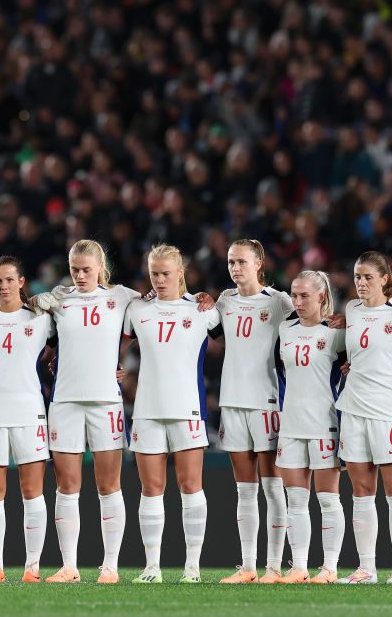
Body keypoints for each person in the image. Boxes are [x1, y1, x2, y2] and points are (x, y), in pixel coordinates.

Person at [29, 239, 140, 584]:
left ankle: (110, 566)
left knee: (109, 485)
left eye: (86, 269)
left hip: (106, 401)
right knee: (67, 486)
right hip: (65, 402)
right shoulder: (60, 299)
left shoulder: (122, 297)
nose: (79, 275)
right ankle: (69, 566)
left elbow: (155, 315)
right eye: (74, 269)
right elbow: (23, 313)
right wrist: (35, 300)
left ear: (101, 268)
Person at [122, 244, 220, 584]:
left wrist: (206, 296)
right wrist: (116, 369)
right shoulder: (136, 309)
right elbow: (114, 345)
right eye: (154, 273)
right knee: (151, 488)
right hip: (148, 409)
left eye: (166, 273)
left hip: (188, 408)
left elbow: (230, 343)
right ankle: (152, 567)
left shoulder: (204, 309)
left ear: (181, 272)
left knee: (191, 485)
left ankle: (192, 566)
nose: (160, 279)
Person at [0, 256, 54, 583]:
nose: (3, 287)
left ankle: (32, 568)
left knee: (32, 491)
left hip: (29, 411)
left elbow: (75, 342)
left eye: (9, 280)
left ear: (21, 281)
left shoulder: (42, 317)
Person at [335, 251, 392, 585]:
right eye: (357, 277)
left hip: (389, 409)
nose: (361, 283)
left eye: (368, 276)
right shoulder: (352, 309)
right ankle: (366, 568)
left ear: (385, 278)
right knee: (361, 491)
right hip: (353, 406)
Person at [216, 240, 295, 584]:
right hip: (232, 402)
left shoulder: (279, 302)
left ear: (259, 263)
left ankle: (274, 568)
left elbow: (306, 329)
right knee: (245, 490)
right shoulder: (224, 300)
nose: (235, 268)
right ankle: (248, 566)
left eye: (242, 262)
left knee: (273, 488)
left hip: (267, 402)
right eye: (232, 262)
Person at [273, 270, 347, 584]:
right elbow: (281, 372)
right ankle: (300, 566)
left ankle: (329, 567)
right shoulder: (284, 329)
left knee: (328, 498)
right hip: (291, 423)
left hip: (324, 423)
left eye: (305, 295)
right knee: (296, 499)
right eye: (295, 294)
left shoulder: (337, 333)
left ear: (321, 296)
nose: (298, 301)